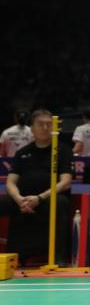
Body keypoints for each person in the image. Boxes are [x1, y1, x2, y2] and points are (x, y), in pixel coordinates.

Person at [0, 109, 73, 264]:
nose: (45, 128)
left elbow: (65, 182)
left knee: (59, 202)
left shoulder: (62, 150)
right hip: (23, 199)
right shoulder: (22, 153)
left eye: (49, 124)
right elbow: (11, 182)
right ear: (32, 128)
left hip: (48, 198)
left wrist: (39, 198)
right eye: (40, 124)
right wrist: (19, 199)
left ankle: (59, 256)